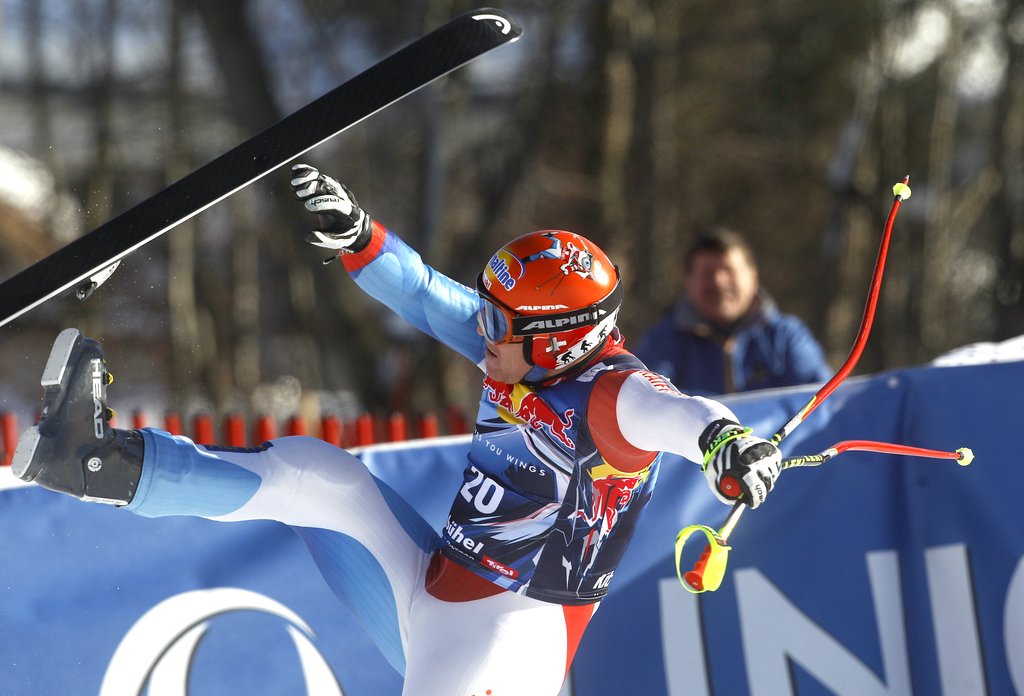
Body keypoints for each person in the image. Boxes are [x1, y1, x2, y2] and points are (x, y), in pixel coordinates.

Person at [12, 165, 782, 696]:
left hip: (505, 643)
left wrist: (728, 444)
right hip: (429, 584)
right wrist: (360, 237)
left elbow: (684, 415)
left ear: (560, 339)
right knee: (314, 475)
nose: (482, 332)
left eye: (500, 323)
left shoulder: (613, 396)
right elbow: (427, 298)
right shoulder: (521, 354)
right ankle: (95, 462)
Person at [633, 227, 831, 395]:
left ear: (753, 278)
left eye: (729, 271)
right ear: (688, 282)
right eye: (707, 274)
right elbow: (644, 397)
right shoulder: (664, 340)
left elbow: (821, 400)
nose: (719, 282)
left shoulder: (785, 337)